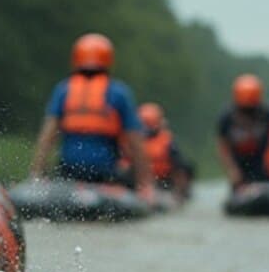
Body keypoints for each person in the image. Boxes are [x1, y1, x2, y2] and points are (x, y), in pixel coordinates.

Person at [27, 34, 152, 199]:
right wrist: (145, 184)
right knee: (127, 176)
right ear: (108, 60)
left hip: (68, 172)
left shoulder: (63, 90)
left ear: (76, 58)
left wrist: (36, 174)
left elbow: (47, 138)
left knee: (58, 175)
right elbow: (136, 144)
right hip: (105, 174)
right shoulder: (119, 93)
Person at [215, 74, 269, 189]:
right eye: (244, 110)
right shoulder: (227, 118)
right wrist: (232, 170)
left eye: (251, 110)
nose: (248, 114)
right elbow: (223, 147)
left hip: (264, 167)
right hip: (239, 167)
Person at [139, 102, 193, 200]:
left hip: (165, 180)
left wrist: (179, 192)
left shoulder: (167, 141)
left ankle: (181, 192)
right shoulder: (134, 141)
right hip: (144, 182)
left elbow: (179, 167)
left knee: (187, 166)